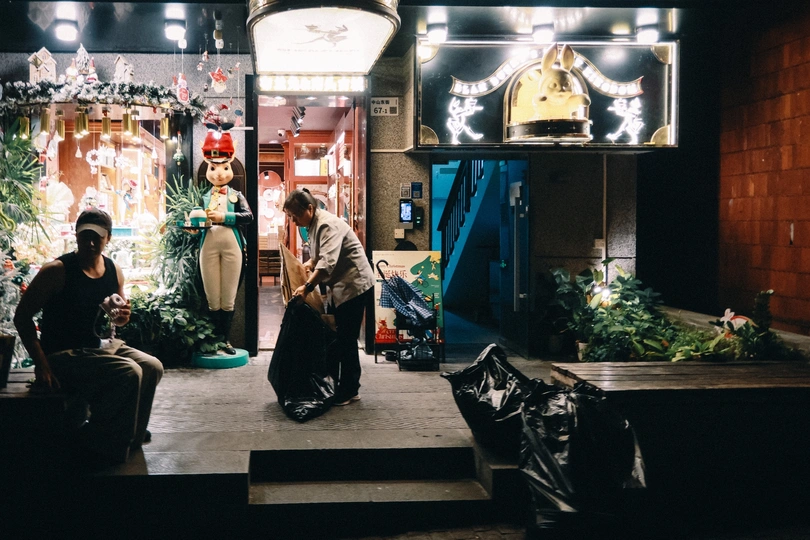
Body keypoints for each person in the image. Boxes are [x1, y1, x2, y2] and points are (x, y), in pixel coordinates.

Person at [14, 208, 163, 464]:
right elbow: (22, 317)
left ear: (109, 238)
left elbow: (118, 317)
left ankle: (132, 436)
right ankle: (103, 445)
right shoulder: (57, 270)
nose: (91, 243)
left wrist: (122, 317)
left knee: (152, 366)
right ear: (76, 236)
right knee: (129, 371)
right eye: (85, 236)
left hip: (97, 348)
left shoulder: (113, 270)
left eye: (97, 237)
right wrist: (41, 363)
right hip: (64, 354)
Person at [284, 189, 375, 406]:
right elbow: (320, 256)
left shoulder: (327, 224)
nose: (294, 221)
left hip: (355, 285)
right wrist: (309, 264)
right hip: (341, 286)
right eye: (290, 217)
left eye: (295, 216)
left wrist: (306, 288)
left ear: (310, 208)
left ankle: (350, 390)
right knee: (337, 336)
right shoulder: (313, 224)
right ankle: (339, 384)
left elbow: (327, 263)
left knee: (346, 339)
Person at [198, 124, 253, 354]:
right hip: (208, 244)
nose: (219, 173)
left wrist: (225, 217)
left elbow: (248, 216)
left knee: (229, 296)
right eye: (213, 167)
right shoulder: (202, 197)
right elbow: (196, 220)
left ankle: (226, 339)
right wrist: (195, 226)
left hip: (232, 245)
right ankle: (214, 339)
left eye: (225, 167)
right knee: (212, 295)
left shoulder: (236, 195)